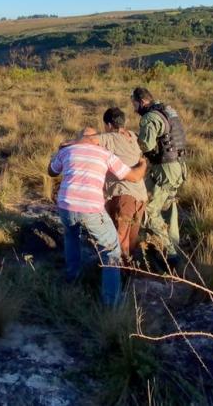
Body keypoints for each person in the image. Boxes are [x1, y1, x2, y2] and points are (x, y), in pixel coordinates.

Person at [48, 128, 147, 305]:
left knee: (71, 236)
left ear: (78, 138)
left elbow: (52, 171)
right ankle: (111, 302)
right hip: (91, 208)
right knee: (111, 249)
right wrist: (143, 165)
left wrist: (60, 150)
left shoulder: (67, 151)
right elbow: (133, 177)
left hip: (65, 205)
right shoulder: (105, 154)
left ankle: (72, 277)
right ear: (96, 139)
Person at [130, 87, 188, 259]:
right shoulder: (168, 111)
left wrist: (132, 139)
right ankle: (170, 243)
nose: (134, 108)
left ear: (142, 101)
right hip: (178, 166)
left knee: (147, 210)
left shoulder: (150, 117)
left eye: (134, 103)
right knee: (168, 206)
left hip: (164, 169)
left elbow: (145, 145)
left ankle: (169, 253)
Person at [95, 107, 147, 262]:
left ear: (109, 125)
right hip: (141, 197)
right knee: (130, 241)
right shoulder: (132, 135)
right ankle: (130, 275)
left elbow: (90, 141)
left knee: (118, 241)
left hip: (124, 197)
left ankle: (119, 278)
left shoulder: (110, 137)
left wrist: (67, 143)